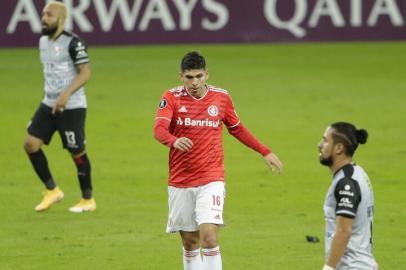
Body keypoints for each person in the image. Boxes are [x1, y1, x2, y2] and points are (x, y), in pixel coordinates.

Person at [154, 51, 283, 270]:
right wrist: (173, 141)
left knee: (210, 238)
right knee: (190, 242)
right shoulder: (171, 97)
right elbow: (159, 130)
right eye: (189, 77)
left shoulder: (221, 97)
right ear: (181, 76)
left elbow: (237, 129)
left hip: (211, 178)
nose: (194, 82)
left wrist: (264, 151)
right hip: (180, 180)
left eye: (199, 76)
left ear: (207, 74)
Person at [23, 1, 95, 213]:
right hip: (49, 104)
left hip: (71, 106)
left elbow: (85, 72)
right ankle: (52, 190)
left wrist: (66, 94)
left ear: (61, 19)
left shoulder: (74, 43)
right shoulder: (43, 42)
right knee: (30, 144)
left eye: (49, 15)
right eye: (43, 14)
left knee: (77, 151)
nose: (43, 18)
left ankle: (87, 199)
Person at [318, 122, 378, 270]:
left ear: (339, 148)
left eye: (325, 140)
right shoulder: (356, 173)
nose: (319, 145)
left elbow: (344, 231)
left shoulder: (346, 183)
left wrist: (329, 268)